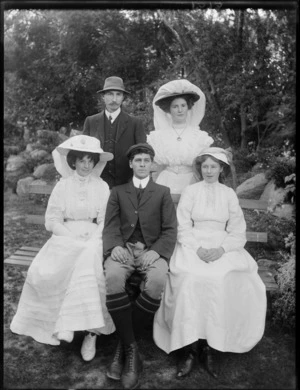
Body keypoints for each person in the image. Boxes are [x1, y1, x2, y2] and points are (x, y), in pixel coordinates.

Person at [153, 147, 267, 378]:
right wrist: (198, 249)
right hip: (192, 244)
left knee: (219, 277)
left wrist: (221, 249)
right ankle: (190, 347)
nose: (208, 170)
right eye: (205, 166)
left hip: (221, 245)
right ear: (200, 168)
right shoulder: (191, 191)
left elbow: (237, 231)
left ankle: (209, 344)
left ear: (221, 169)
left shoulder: (228, 194)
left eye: (213, 166)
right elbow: (182, 225)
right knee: (189, 277)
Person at [10, 135, 116, 362]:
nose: (86, 165)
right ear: (74, 162)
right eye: (82, 160)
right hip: (65, 236)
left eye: (91, 160)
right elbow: (52, 220)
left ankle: (90, 333)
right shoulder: (63, 186)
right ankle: (66, 323)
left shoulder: (102, 186)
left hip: (94, 238)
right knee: (48, 268)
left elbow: (106, 220)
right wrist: (71, 235)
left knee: (89, 257)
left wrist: (93, 237)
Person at [102, 143, 177, 389]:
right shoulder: (117, 191)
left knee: (156, 281)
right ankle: (132, 349)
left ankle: (123, 348)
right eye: (138, 160)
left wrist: (155, 252)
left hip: (151, 253)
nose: (142, 164)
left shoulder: (163, 192)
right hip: (123, 251)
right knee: (112, 277)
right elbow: (111, 226)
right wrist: (115, 247)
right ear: (131, 164)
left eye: (146, 160)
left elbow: (169, 230)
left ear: (152, 164)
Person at [147, 79, 214, 194]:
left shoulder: (198, 137)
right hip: (165, 181)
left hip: (191, 182)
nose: (180, 110)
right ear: (168, 110)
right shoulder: (159, 136)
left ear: (188, 107)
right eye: (175, 106)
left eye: (183, 105)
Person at [83, 76, 146, 188]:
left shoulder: (135, 123)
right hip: (96, 183)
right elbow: (84, 154)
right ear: (103, 96)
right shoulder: (91, 121)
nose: (114, 99)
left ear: (123, 98)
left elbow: (142, 157)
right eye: (110, 94)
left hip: (127, 184)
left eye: (118, 94)